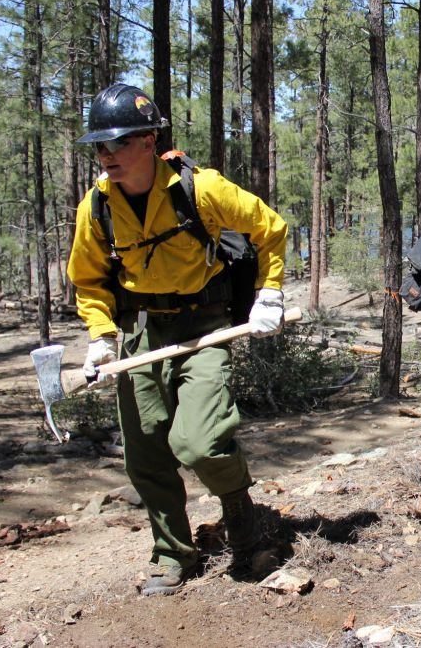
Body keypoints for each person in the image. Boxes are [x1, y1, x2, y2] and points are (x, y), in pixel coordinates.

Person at [67, 84, 289, 596]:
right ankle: (172, 553)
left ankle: (239, 512)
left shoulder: (202, 188)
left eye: (117, 143)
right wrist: (101, 337)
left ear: (148, 140)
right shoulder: (96, 206)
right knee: (145, 454)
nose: (106, 156)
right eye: (99, 146)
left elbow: (270, 228)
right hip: (140, 333)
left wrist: (270, 292)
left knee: (198, 441)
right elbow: (89, 278)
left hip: (205, 327)